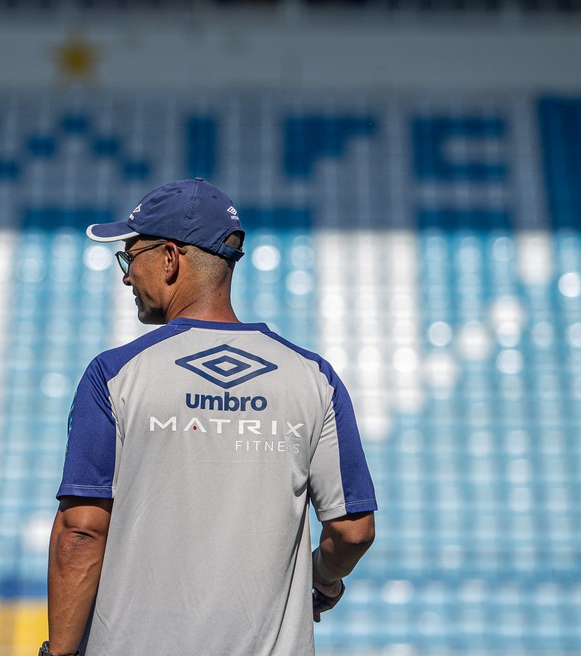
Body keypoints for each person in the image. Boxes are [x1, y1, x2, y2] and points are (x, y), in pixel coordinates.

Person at [43, 178, 377, 656]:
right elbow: (352, 530)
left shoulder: (114, 375)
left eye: (130, 256)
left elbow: (81, 531)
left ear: (171, 258)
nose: (125, 275)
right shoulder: (313, 377)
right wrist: (323, 579)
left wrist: (57, 653)